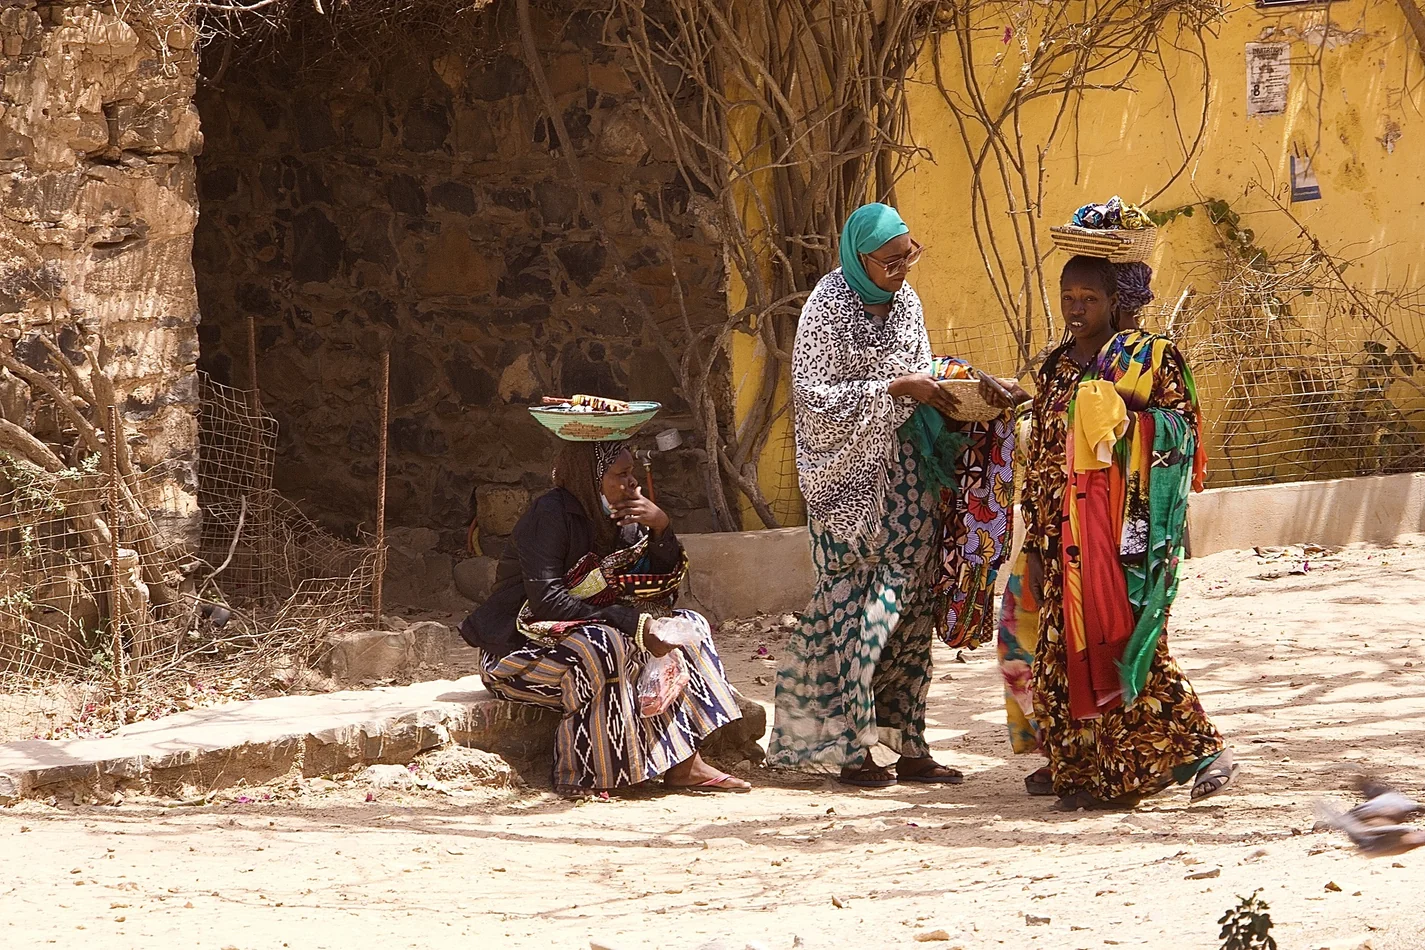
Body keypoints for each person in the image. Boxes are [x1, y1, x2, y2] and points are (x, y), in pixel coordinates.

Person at [768, 202, 1023, 787]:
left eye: (908, 256)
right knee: (858, 621)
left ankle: (909, 745)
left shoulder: (907, 302)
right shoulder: (825, 308)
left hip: (909, 481)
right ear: (859, 257)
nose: (902, 269)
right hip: (849, 491)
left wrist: (961, 383)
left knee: (908, 617)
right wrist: (888, 390)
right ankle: (852, 752)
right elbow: (814, 399)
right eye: (890, 260)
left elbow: (923, 370)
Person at [1012, 254, 1235, 809]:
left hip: (1123, 532)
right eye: (1068, 298)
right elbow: (1040, 458)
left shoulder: (1145, 359)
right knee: (1061, 655)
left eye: (1089, 298)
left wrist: (1127, 423)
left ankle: (1206, 750)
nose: (1077, 309)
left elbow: (1183, 432)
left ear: (1115, 302)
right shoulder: (1055, 369)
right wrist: (1035, 540)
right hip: (1062, 535)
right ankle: (1086, 773)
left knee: (1127, 643)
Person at [459, 431, 749, 797]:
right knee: (606, 642)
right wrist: (632, 624)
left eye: (634, 474)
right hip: (518, 653)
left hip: (589, 639)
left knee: (688, 626)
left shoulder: (622, 521)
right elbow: (547, 601)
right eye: (621, 474)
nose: (633, 483)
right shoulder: (549, 515)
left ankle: (684, 763)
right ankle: (585, 773)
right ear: (591, 476)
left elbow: (658, 587)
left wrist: (661, 528)